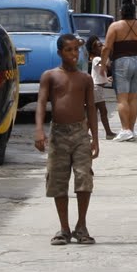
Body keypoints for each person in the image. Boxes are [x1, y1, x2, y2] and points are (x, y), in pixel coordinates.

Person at [35, 34, 100, 244]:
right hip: (58, 134)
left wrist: (95, 139)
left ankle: (81, 226)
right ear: (59, 52)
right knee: (58, 180)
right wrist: (39, 130)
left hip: (80, 133)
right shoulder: (50, 76)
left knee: (84, 178)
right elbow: (41, 103)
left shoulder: (85, 78)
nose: (74, 54)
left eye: (76, 49)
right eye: (69, 50)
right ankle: (64, 228)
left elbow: (91, 108)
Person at [104, 0, 137, 141]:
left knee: (122, 99)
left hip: (122, 62)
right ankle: (131, 130)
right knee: (133, 99)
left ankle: (125, 129)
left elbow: (106, 47)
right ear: (134, 12)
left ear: (121, 12)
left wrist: (102, 64)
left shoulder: (115, 26)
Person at [86, 36, 117, 140]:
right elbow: (106, 64)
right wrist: (106, 52)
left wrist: (106, 79)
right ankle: (108, 133)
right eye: (99, 46)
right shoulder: (97, 59)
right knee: (103, 111)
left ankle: (85, 132)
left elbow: (100, 72)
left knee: (94, 113)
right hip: (96, 88)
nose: (102, 47)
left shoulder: (98, 58)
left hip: (97, 88)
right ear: (94, 49)